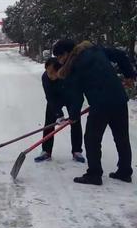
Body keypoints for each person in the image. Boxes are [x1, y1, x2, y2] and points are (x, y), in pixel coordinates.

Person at [53, 39, 136, 186]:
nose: (60, 61)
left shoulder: (74, 66)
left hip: (100, 104)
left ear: (66, 53)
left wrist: (73, 116)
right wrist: (129, 75)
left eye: (59, 57)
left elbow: (77, 96)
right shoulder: (96, 50)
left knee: (92, 139)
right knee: (121, 137)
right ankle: (124, 171)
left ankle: (94, 174)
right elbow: (121, 55)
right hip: (119, 99)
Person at [34, 57, 85, 163]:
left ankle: (76, 151)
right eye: (47, 71)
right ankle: (46, 151)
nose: (49, 75)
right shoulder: (45, 78)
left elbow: (77, 96)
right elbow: (50, 97)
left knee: (75, 121)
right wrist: (59, 114)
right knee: (49, 122)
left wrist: (74, 113)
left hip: (70, 98)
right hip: (55, 99)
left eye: (52, 72)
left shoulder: (68, 75)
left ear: (59, 70)